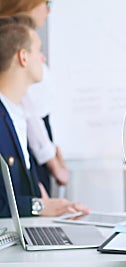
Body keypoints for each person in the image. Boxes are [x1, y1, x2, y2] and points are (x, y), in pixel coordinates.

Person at [0, 15, 89, 218]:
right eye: (38, 50)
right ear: (23, 57)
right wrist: (38, 206)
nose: (43, 58)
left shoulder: (16, 116)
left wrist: (55, 206)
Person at [0, 0, 69, 196]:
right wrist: (52, 161)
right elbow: (32, 114)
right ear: (23, 57)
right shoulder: (12, 115)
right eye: (45, 3)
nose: (47, 10)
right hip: (33, 151)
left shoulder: (15, 115)